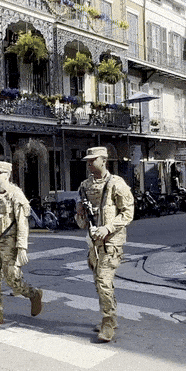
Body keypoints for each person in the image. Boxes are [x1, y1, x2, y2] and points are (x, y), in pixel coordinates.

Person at [75, 147, 134, 342]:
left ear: (103, 160)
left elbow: (128, 213)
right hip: (94, 243)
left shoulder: (116, 184)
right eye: (88, 160)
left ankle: (108, 322)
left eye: (93, 160)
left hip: (111, 243)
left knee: (103, 281)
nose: (89, 164)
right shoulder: (85, 186)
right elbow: (81, 223)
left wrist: (108, 228)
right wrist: (80, 213)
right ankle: (111, 317)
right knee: (99, 283)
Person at [0, 161, 43, 327]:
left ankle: (33, 294)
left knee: (13, 279)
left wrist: (22, 248)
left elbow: (22, 224)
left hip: (10, 243)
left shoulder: (16, 195)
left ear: (7, 175)